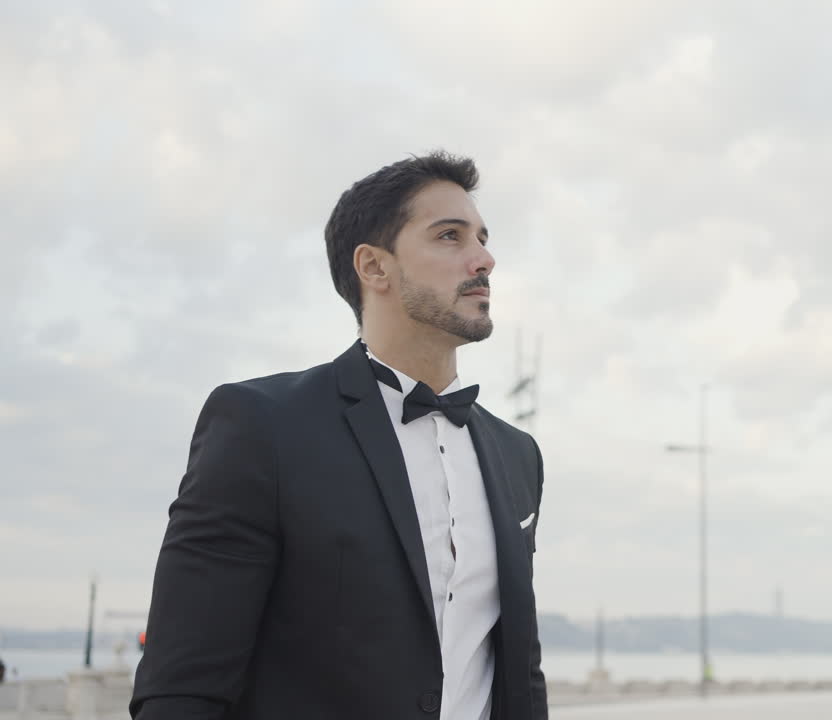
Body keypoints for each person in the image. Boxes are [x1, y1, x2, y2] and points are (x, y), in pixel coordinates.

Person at [130, 151, 547, 720]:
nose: (484, 259)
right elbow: (182, 686)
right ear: (374, 268)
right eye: (450, 236)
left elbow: (520, 671)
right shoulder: (261, 425)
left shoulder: (517, 455)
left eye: (482, 236)